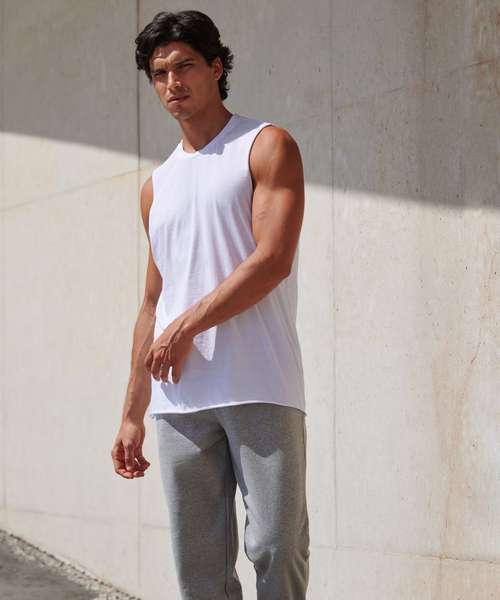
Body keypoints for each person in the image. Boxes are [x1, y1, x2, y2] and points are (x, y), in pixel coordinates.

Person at [111, 9, 309, 600]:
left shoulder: (264, 145)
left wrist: (187, 326)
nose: (172, 82)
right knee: (198, 570)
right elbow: (153, 301)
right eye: (159, 73)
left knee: (277, 547)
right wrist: (132, 411)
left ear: (216, 68)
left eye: (185, 66)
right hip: (180, 401)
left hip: (259, 382)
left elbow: (272, 260)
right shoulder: (156, 187)